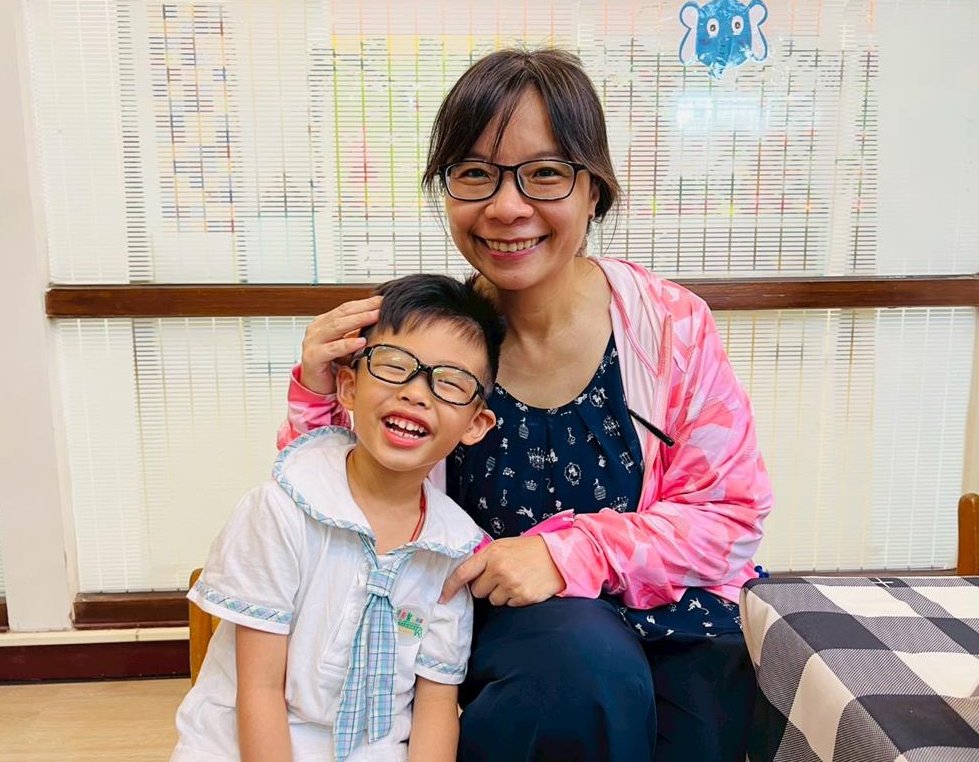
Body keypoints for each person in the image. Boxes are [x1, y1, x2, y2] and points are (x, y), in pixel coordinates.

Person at [278, 49, 773, 762]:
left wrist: (568, 552)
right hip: (507, 631)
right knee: (581, 670)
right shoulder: (425, 342)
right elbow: (329, 504)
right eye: (475, 173)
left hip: (675, 617)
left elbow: (729, 518)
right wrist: (315, 392)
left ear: (594, 190)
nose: (507, 207)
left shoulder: (670, 327)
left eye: (544, 173)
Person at [171, 274, 504, 762]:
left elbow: (436, 707)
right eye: (395, 366)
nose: (417, 393)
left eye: (450, 382)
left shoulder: (454, 549)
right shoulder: (279, 510)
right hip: (243, 744)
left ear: (475, 424)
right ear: (347, 387)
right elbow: (258, 689)